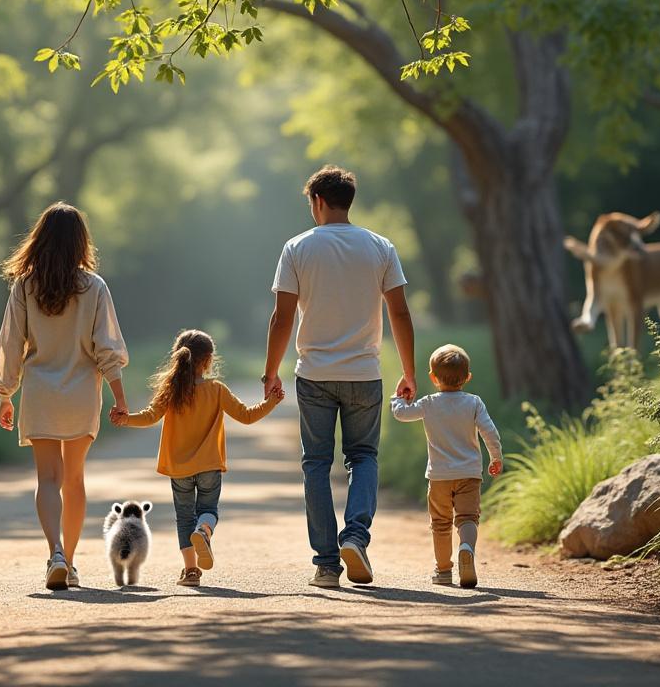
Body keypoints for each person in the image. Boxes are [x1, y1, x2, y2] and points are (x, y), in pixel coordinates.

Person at [263, 165, 417, 588]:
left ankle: (327, 566)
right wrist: (409, 372)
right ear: (348, 201)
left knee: (316, 463)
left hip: (314, 374)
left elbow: (282, 317)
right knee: (363, 457)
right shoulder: (380, 247)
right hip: (365, 373)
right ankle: (355, 537)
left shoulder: (297, 247)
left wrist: (270, 372)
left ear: (317, 201)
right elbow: (400, 312)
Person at [0, 202, 129, 591]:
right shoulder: (95, 287)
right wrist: (120, 398)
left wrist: (5, 393)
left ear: (40, 239)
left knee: (48, 478)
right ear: (81, 242)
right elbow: (107, 349)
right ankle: (69, 559)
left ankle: (54, 553)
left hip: (40, 394)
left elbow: (11, 344)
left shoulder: (25, 286)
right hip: (81, 393)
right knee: (74, 478)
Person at [112, 330, 283, 587]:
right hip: (209, 466)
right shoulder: (216, 390)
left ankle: (191, 571)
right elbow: (247, 416)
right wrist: (271, 402)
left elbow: (150, 416)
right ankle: (204, 530)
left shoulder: (171, 389)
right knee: (208, 511)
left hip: (179, 469)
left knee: (184, 518)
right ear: (208, 360)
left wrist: (126, 419)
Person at [390, 344, 503, 589]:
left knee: (441, 524)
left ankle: (443, 571)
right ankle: (466, 548)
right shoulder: (474, 403)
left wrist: (398, 398)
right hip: (469, 474)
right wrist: (496, 457)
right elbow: (490, 432)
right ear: (468, 377)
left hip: (439, 476)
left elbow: (402, 414)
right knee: (468, 518)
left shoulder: (429, 403)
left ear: (433, 377)